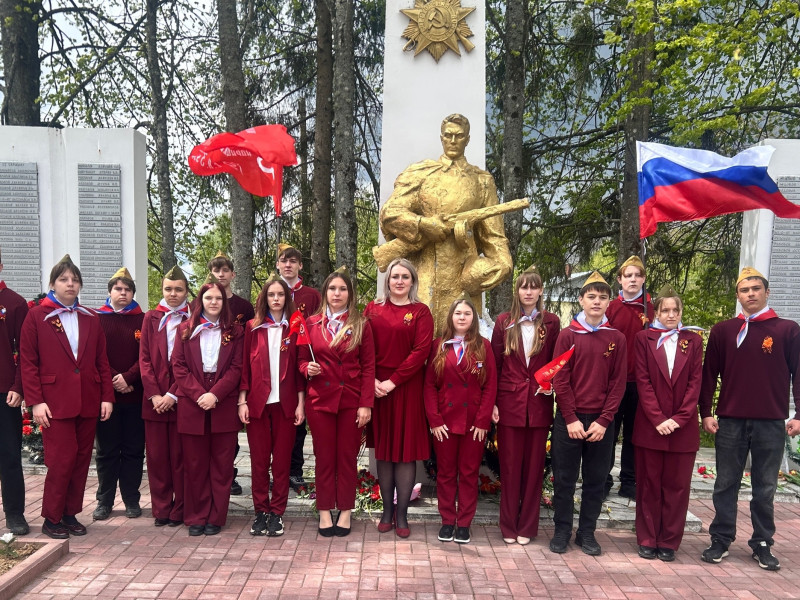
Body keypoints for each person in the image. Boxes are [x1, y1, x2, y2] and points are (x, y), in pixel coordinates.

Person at [699, 267, 800, 571]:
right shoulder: (724, 330)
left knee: (765, 486)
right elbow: (708, 375)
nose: (751, 294)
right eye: (745, 290)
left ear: (766, 292)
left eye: (756, 288)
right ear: (738, 296)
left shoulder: (787, 330)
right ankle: (720, 539)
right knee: (726, 482)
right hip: (731, 420)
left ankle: (762, 543)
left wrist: (799, 414)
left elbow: (799, 373)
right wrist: (706, 412)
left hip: (771, 421)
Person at [379, 113, 513, 332]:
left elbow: (496, 243)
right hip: (422, 281)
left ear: (467, 139)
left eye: (459, 136)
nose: (453, 140)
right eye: (448, 135)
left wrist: (482, 273)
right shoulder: (421, 173)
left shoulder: (482, 181)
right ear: (441, 137)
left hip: (462, 286)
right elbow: (390, 213)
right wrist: (423, 224)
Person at [20, 254, 114, 539]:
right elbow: (28, 361)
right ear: (52, 283)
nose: (70, 284)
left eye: (74, 280)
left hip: (87, 399)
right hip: (53, 402)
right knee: (61, 460)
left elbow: (101, 360)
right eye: (63, 279)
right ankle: (52, 516)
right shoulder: (37, 316)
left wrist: (106, 396)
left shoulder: (90, 318)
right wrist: (36, 400)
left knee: (82, 459)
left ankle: (70, 513)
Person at [549, 271, 626, 556]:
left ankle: (586, 533)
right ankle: (561, 530)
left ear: (609, 302)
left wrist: (605, 421)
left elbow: (618, 384)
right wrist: (569, 417)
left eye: (602, 297)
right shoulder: (568, 335)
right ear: (581, 300)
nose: (596, 302)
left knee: (595, 480)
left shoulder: (616, 338)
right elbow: (560, 378)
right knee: (565, 479)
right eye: (591, 296)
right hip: (569, 420)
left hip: (600, 424)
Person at [298, 267, 375, 537]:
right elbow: (299, 360)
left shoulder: (361, 324)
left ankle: (344, 510)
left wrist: (366, 404)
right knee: (323, 457)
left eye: (342, 289)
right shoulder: (310, 324)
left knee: (346, 458)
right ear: (325, 293)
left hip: (351, 401)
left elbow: (368, 367)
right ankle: (323, 510)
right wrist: (307, 367)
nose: (337, 293)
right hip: (320, 400)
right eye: (332, 289)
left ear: (349, 294)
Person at [364, 258, 433, 537]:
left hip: (406, 388)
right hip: (378, 388)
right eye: (395, 277)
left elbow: (421, 352)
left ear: (413, 281)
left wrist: (393, 382)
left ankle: (402, 515)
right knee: (384, 450)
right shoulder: (373, 309)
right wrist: (373, 382)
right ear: (387, 280)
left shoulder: (421, 312)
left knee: (404, 453)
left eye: (405, 277)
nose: (400, 281)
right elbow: (363, 347)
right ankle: (387, 512)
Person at [490, 266, 560, 544]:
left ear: (541, 291)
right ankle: (508, 526)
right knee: (509, 469)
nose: (528, 292)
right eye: (524, 287)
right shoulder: (503, 321)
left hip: (539, 406)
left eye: (534, 287)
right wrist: (494, 403)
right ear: (517, 291)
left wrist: (552, 384)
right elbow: (494, 365)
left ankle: (527, 528)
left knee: (534, 471)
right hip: (509, 404)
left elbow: (559, 362)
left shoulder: (552, 322)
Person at [633, 285, 702, 562]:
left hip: (682, 429)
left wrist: (679, 418)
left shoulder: (693, 341)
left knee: (677, 487)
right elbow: (643, 381)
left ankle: (670, 541)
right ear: (656, 312)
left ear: (681, 311)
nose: (671, 314)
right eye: (666, 310)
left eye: (676, 310)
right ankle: (648, 538)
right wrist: (659, 419)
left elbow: (695, 383)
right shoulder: (644, 339)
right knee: (649, 485)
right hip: (651, 426)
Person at [172, 277, 243, 536]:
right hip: (193, 404)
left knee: (222, 465)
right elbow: (178, 367)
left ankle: (216, 516)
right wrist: (199, 394)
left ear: (224, 302)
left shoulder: (235, 332)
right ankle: (197, 516)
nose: (213, 302)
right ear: (199, 302)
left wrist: (215, 394)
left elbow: (237, 368)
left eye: (218, 298)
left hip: (222, 403)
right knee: (195, 465)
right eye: (208, 298)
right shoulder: (184, 330)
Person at [424, 295, 496, 544]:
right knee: (445, 473)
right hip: (445, 422)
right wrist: (434, 420)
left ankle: (464, 523)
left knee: (468, 473)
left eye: (467, 313)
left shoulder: (483, 346)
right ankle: (447, 521)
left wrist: (483, 420)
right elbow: (430, 386)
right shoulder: (438, 346)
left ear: (473, 318)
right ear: (451, 317)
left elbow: (490, 386)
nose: (462, 317)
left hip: (473, 423)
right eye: (458, 313)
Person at [239, 275, 305, 537]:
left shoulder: (295, 328)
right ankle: (260, 512)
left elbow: (300, 371)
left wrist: (301, 404)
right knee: (258, 461)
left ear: (287, 298)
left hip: (286, 405)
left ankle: (277, 513)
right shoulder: (253, 327)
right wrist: (242, 401)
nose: (276, 299)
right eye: (271, 295)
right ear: (264, 298)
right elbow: (245, 366)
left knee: (281, 462)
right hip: (257, 404)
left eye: (281, 295)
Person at [93, 267, 146, 521]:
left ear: (133, 293)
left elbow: (146, 356)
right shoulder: (97, 320)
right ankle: (104, 501)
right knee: (107, 451)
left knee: (134, 450)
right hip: (108, 399)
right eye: (118, 289)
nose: (122, 293)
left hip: (135, 395)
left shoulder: (143, 320)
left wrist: (129, 378)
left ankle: (131, 499)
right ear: (110, 292)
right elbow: (96, 356)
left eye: (127, 289)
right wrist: (116, 379)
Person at [139, 265, 190, 527]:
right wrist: (156, 395)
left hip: (182, 401)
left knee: (180, 458)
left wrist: (174, 394)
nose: (173, 294)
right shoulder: (151, 318)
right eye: (168, 289)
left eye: (178, 289)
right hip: (155, 403)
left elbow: (194, 363)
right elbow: (145, 359)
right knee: (157, 459)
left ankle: (180, 509)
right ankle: (161, 508)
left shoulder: (193, 319)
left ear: (186, 291)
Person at [605, 255, 654, 499]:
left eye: (637, 275)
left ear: (643, 279)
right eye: (628, 276)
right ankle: (603, 478)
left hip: (640, 382)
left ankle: (629, 481)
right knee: (609, 432)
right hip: (613, 381)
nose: (633, 280)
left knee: (634, 434)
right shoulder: (610, 308)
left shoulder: (652, 308)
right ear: (620, 280)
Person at [208, 251, 254, 496]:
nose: (221, 274)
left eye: (225, 270)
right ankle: (209, 475)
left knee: (229, 433)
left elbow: (251, 340)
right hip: (206, 375)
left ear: (233, 274)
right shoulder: (202, 301)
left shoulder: (244, 306)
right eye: (216, 270)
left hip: (233, 373)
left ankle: (229, 474)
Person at [276, 243, 321, 493]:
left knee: (297, 420)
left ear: (300, 265)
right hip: (276, 362)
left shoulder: (312, 295)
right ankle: (277, 471)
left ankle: (294, 471)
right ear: (278, 264)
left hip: (303, 361)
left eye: (293, 260)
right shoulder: (270, 291)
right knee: (277, 419)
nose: (288, 264)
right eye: (284, 260)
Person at [0, 249, 30, 535]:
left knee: (9, 455)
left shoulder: (15, 303)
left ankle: (15, 514)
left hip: (4, 394)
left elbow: (26, 352)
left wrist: (18, 386)